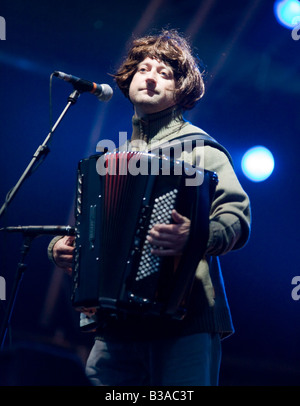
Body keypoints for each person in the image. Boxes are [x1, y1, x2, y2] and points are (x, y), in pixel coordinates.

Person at [47, 29, 251, 386]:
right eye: (143, 69)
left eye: (165, 73)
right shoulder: (113, 160)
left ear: (181, 90)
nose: (151, 77)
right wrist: (64, 249)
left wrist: (195, 236)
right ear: (129, 81)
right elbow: (94, 232)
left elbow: (236, 218)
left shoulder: (201, 149)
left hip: (185, 321)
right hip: (116, 327)